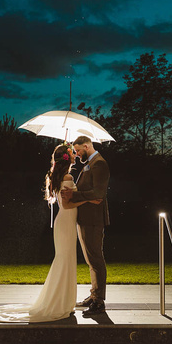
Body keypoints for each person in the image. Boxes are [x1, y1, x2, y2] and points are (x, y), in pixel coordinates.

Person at [0, 143, 100, 323]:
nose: (75, 155)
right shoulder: (67, 176)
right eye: (72, 154)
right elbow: (68, 204)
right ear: (67, 158)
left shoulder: (57, 176)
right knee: (64, 261)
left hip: (64, 224)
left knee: (65, 261)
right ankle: (59, 303)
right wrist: (89, 199)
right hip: (66, 224)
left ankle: (63, 302)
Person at [61, 135, 110, 317]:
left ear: (87, 146)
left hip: (93, 219)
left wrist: (73, 196)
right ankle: (94, 294)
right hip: (86, 218)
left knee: (96, 259)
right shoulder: (90, 163)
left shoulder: (99, 164)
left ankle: (99, 302)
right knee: (91, 260)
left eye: (78, 150)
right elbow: (90, 192)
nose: (76, 153)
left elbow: (98, 193)